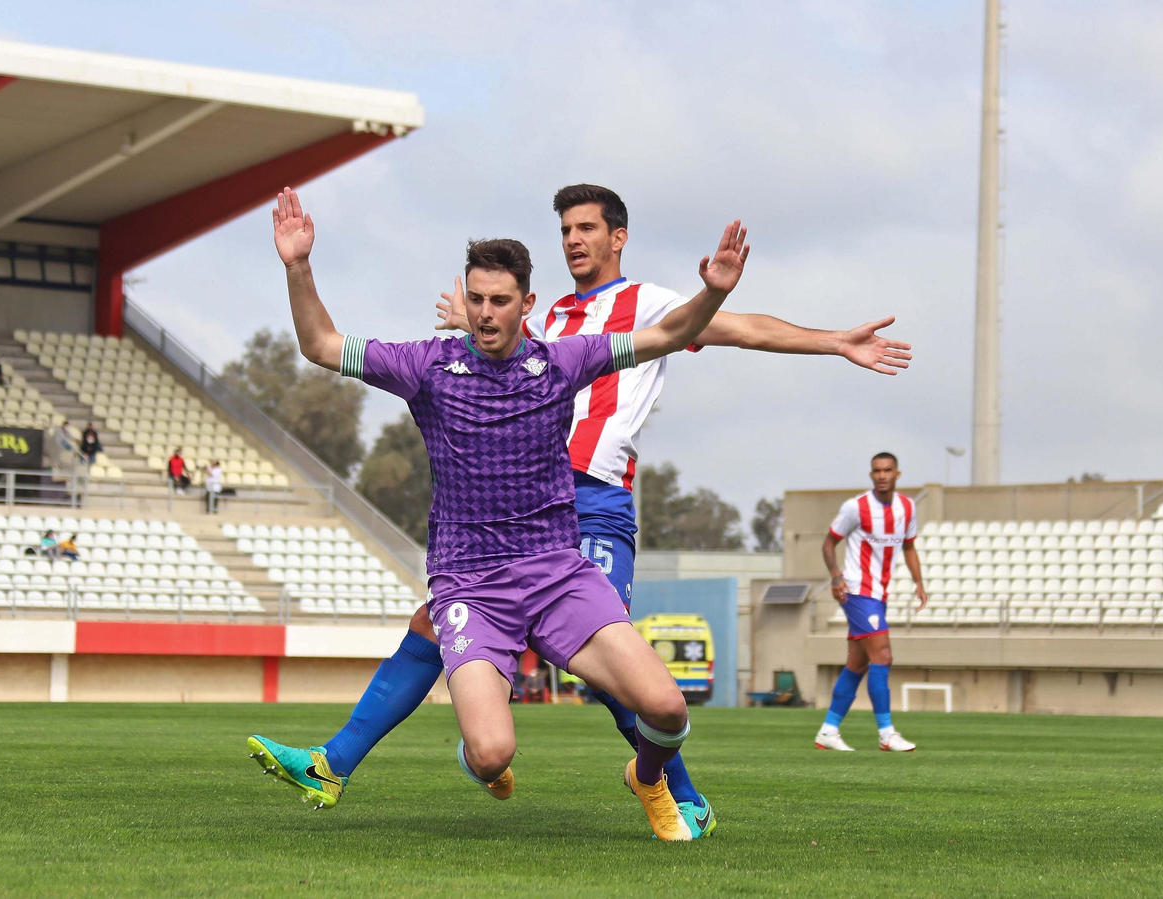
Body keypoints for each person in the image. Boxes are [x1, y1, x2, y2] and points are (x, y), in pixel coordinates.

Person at [314, 184, 913, 837]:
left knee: (605, 664)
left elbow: (738, 328)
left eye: (587, 227)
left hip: (594, 500)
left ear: (618, 236)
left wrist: (832, 341)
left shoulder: (645, 302)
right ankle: (444, 754)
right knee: (437, 618)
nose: (573, 238)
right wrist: (470, 328)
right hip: (523, 512)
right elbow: (501, 362)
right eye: (566, 228)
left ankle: (670, 787)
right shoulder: (546, 321)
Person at [247, 189, 741, 841]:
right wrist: (298, 265)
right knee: (490, 753)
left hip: (560, 576)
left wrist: (713, 293)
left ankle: (648, 776)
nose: (484, 313)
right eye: (476, 298)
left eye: (500, 300)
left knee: (669, 709)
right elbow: (319, 342)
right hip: (471, 586)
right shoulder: (427, 366)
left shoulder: (563, 361)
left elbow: (672, 331)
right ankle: (390, 761)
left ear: (527, 305)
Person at [815, 452, 928, 753]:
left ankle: (828, 730)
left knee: (858, 662)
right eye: (877, 470)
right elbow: (829, 543)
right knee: (884, 657)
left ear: (897, 474)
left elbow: (909, 546)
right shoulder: (856, 507)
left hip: (878, 595)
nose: (882, 475)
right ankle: (886, 733)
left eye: (887, 470)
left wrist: (919, 582)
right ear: (871, 474)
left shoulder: (907, 507)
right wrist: (836, 576)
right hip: (856, 591)